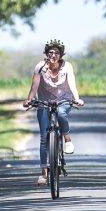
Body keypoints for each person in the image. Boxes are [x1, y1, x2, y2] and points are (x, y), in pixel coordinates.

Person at [23, 39, 84, 186]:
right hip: (44, 102)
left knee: (62, 113)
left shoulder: (67, 66)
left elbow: (72, 85)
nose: (53, 55)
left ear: (61, 55)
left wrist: (77, 99)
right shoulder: (40, 67)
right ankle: (43, 173)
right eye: (51, 52)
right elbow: (34, 86)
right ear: (46, 54)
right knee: (44, 138)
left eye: (57, 52)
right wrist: (29, 100)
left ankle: (67, 140)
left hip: (63, 101)